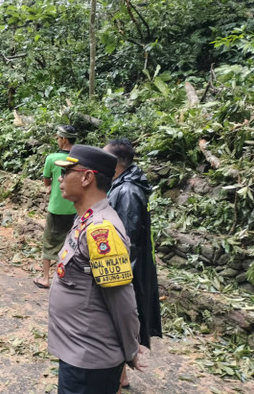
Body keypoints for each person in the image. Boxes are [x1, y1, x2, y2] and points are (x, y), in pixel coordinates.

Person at [49, 144, 142, 394]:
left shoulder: (102, 231)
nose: (60, 177)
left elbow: (122, 301)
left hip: (89, 360)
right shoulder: (86, 218)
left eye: (67, 171)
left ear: (87, 177)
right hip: (77, 351)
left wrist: (130, 349)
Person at [104, 138, 162, 390]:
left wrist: (118, 276)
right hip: (131, 266)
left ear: (116, 163)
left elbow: (126, 239)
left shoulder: (127, 191)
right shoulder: (123, 185)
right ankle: (121, 375)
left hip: (129, 269)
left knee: (117, 321)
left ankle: (117, 377)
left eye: (104, 157)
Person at [34, 125, 78, 289]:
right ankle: (65, 277)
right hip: (75, 208)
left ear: (64, 139)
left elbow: (46, 181)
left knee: (50, 242)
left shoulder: (52, 158)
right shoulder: (80, 158)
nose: (58, 141)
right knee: (71, 242)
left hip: (57, 207)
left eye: (58, 138)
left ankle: (46, 278)